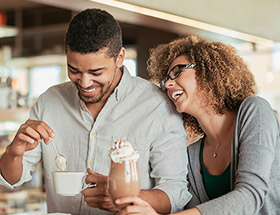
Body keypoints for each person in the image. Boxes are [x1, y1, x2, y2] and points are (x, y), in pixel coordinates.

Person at [0, 9, 191, 215]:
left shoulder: (157, 106)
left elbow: (176, 191)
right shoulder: (49, 101)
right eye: (74, 70)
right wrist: (14, 152)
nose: (84, 82)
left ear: (120, 58)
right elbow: (10, 181)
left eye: (96, 72)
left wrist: (126, 199)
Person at [115, 36, 280, 215]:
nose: (168, 84)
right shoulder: (192, 154)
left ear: (208, 70)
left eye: (177, 72)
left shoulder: (255, 111)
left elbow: (250, 196)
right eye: (165, 81)